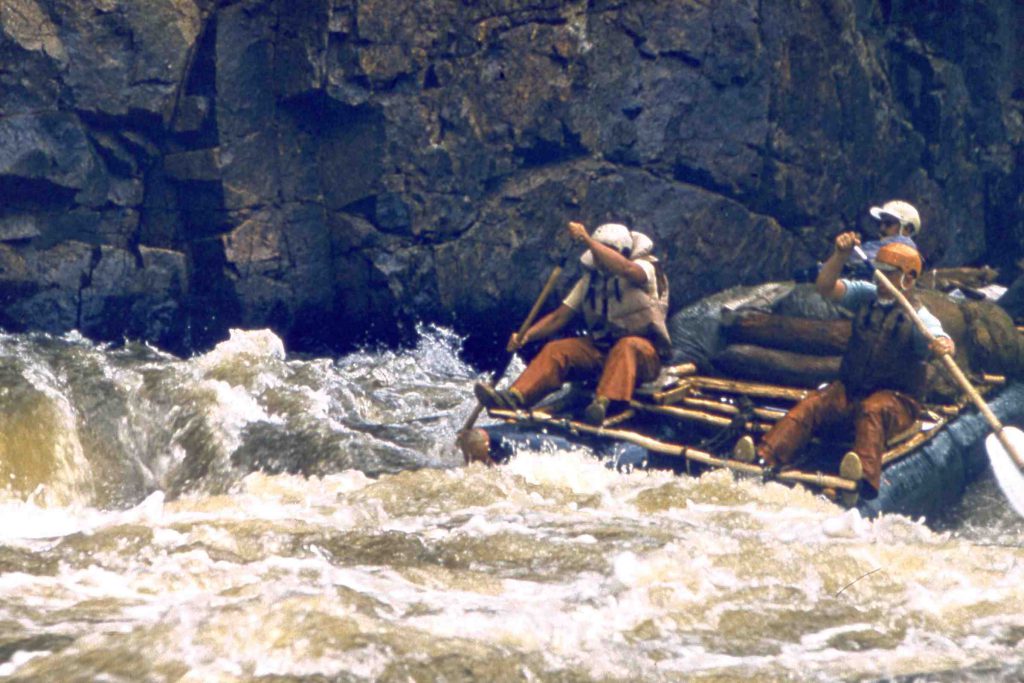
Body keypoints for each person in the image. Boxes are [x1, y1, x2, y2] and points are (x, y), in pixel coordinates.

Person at [733, 231, 955, 498]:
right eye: (878, 270)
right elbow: (825, 286)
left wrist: (943, 344)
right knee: (813, 404)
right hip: (852, 390)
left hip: (897, 400)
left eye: (888, 272)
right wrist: (839, 255)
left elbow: (941, 337)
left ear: (908, 278)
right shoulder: (867, 296)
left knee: (873, 410)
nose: (879, 278)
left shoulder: (919, 316)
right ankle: (765, 456)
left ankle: (860, 482)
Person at [474, 220, 671, 425]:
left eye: (603, 252)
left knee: (626, 346)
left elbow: (626, 269)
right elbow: (559, 316)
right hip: (603, 352)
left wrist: (586, 239)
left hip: (644, 357)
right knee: (557, 350)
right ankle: (516, 397)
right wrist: (526, 336)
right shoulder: (591, 280)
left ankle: (605, 404)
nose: (599, 260)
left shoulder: (646, 269)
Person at [794, 200, 922, 282]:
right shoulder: (879, 245)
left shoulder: (905, 247)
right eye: (881, 223)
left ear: (907, 229)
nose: (882, 228)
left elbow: (864, 265)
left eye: (888, 223)